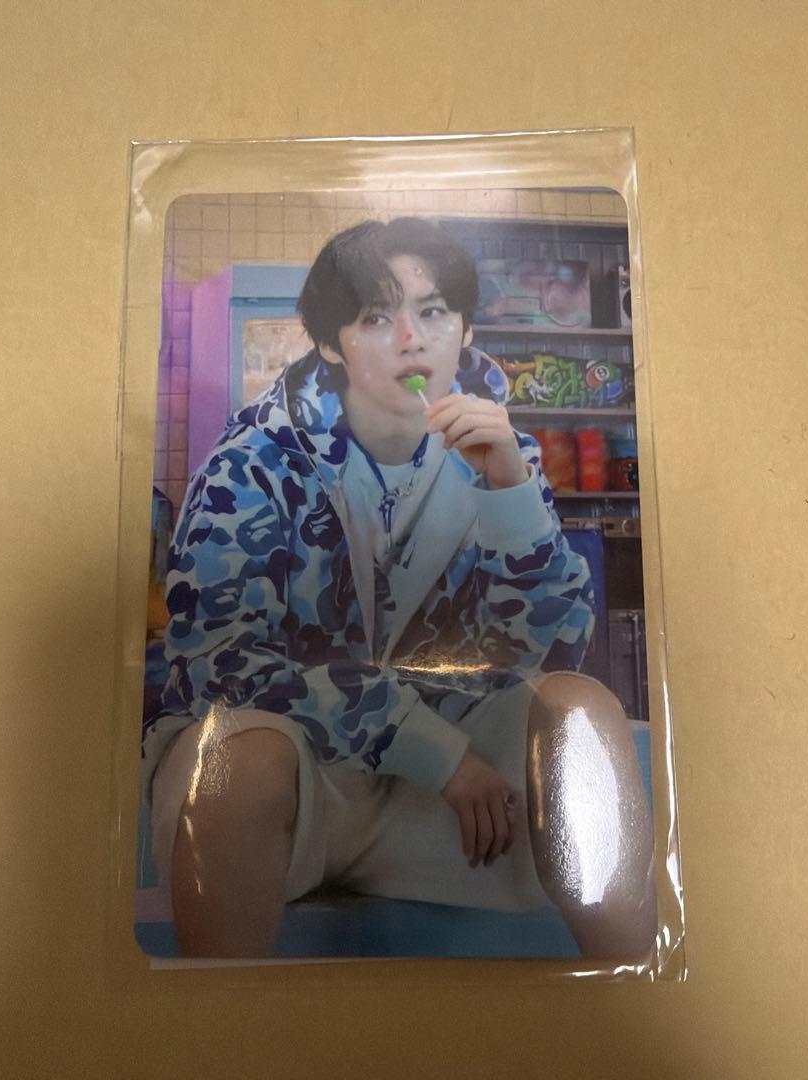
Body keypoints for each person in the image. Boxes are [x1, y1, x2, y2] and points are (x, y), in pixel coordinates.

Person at [142, 217, 656, 960]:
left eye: (433, 311)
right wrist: (433, 752)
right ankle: (220, 1022)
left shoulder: (501, 453)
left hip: (455, 810)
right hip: (298, 788)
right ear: (332, 344)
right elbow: (220, 666)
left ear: (465, 330)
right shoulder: (249, 463)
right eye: (377, 317)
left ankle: (639, 995)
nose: (412, 339)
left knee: (580, 709)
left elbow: (549, 650)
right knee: (235, 762)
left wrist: (510, 494)